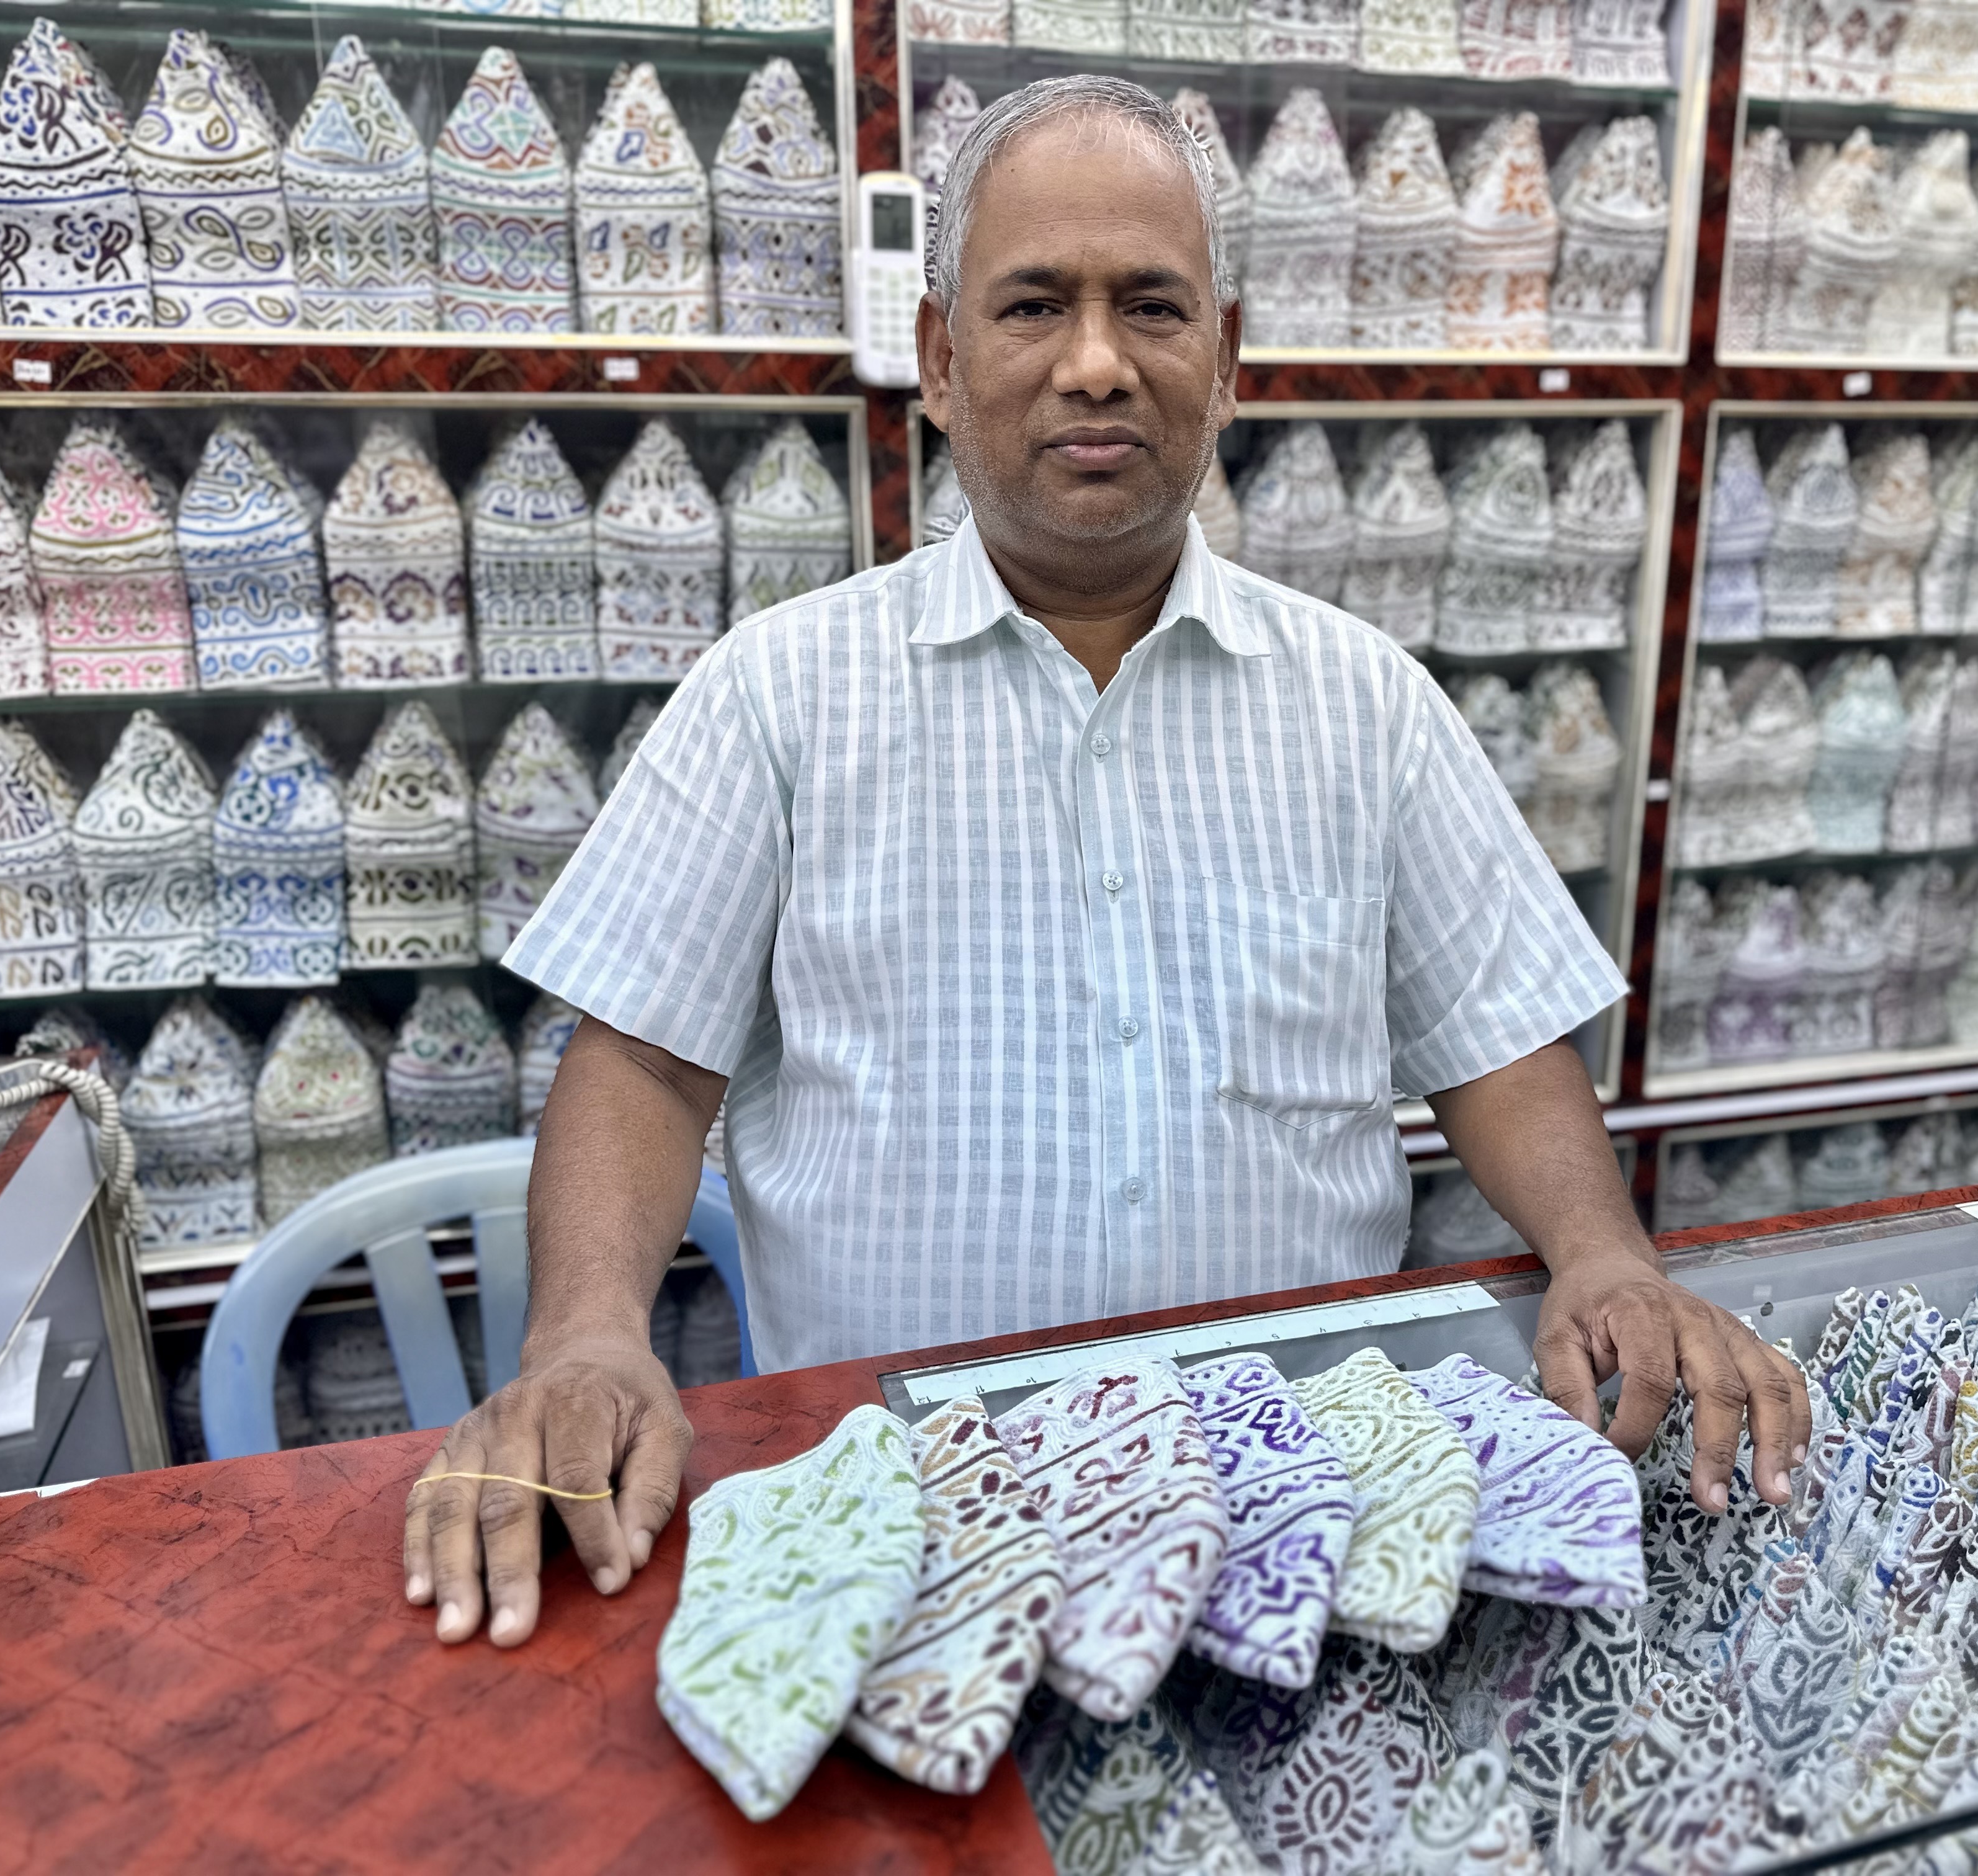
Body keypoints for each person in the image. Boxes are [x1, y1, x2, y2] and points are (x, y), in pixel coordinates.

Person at [405, 75, 1810, 1648]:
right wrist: (591, 1333)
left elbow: (1494, 1047)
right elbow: (647, 1067)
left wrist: (1605, 1253)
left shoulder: (1365, 704)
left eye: (1151, 306)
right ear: (941, 359)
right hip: (909, 1506)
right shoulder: (781, 695)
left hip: (1301, 1512)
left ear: (1226, 357)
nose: (1096, 364)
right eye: (1032, 306)